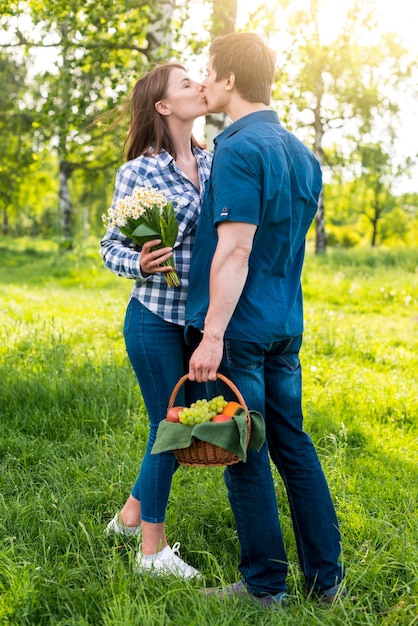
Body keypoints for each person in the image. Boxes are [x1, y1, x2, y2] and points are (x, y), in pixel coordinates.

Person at [185, 33, 346, 606]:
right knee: (294, 445)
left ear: (229, 81)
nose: (205, 80)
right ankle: (328, 582)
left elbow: (236, 250)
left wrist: (213, 335)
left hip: (242, 329)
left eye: (209, 71)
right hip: (285, 323)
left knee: (245, 451)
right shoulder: (304, 155)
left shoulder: (236, 148)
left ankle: (263, 586)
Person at [101, 63, 212, 578]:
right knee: (168, 426)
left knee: (175, 425)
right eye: (186, 84)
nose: (199, 86)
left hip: (195, 319)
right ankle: (152, 550)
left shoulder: (213, 160)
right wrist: (138, 262)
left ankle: (128, 517)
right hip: (152, 316)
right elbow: (110, 247)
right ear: (164, 106)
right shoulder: (140, 172)